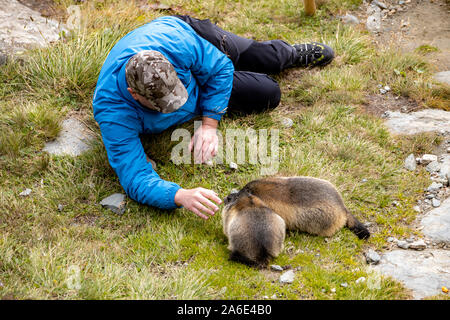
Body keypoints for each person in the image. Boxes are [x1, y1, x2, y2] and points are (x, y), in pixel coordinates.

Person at [92, 15, 334, 220]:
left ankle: (290, 54)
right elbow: (135, 178)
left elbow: (220, 69)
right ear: (134, 94)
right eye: (162, 104)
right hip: (196, 88)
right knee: (267, 92)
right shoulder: (112, 111)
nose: (175, 106)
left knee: (262, 58)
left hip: (198, 37)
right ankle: (221, 78)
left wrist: (209, 124)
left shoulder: (177, 42)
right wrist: (178, 195)